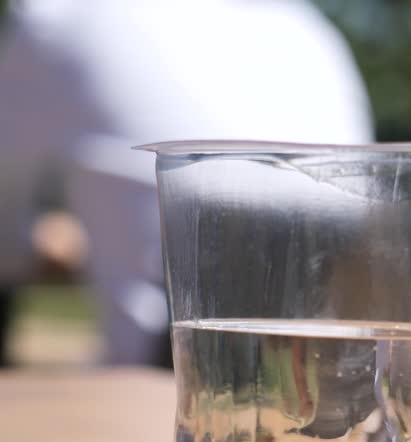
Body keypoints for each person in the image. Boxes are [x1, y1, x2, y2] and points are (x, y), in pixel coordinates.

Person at [0, 0, 373, 366]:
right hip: (348, 365)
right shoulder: (303, 24)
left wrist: (45, 243)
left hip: (173, 372)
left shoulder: (56, 18)